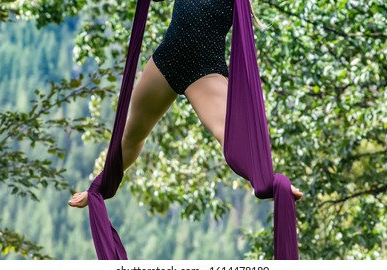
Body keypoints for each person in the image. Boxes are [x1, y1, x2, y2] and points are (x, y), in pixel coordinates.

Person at [68, 0, 303, 208]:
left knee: (230, 134)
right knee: (132, 134)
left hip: (205, 72)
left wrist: (268, 182)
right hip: (166, 61)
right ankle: (99, 189)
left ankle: (268, 182)